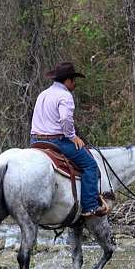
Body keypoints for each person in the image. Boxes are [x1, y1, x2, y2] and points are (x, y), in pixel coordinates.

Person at [30, 62, 107, 217]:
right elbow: (65, 119)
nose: (75, 84)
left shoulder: (43, 94)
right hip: (56, 142)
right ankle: (90, 206)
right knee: (90, 165)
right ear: (68, 80)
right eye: (74, 80)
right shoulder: (65, 96)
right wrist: (73, 137)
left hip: (35, 141)